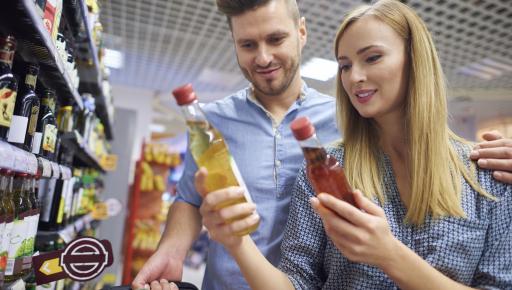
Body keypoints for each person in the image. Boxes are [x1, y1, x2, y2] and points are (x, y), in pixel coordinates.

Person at [133, 0, 512, 289]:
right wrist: (172, 250)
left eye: (275, 38)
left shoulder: (484, 174)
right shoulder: (214, 122)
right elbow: (189, 196)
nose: (263, 56)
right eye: (248, 44)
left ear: (301, 32)